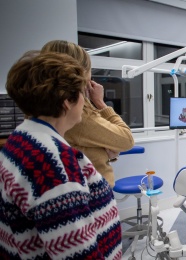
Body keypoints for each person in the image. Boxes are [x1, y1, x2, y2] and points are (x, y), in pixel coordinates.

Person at [0, 51, 122, 259]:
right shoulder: (53, 162)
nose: (85, 101)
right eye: (82, 93)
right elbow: (78, 253)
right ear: (67, 101)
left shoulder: (20, 139)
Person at [41, 40, 135, 187]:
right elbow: (126, 139)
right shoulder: (74, 112)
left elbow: (77, 147)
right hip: (93, 192)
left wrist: (103, 150)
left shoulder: (43, 108)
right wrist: (100, 102)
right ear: (80, 73)